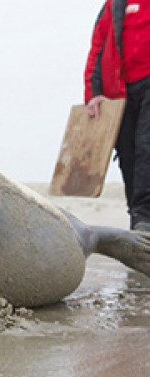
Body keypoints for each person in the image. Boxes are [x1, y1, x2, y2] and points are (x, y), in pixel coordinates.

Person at [85, 0, 150, 230]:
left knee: (147, 148)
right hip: (119, 93)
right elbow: (98, 47)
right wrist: (93, 94)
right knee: (128, 155)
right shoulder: (114, 5)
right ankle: (138, 221)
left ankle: (144, 217)